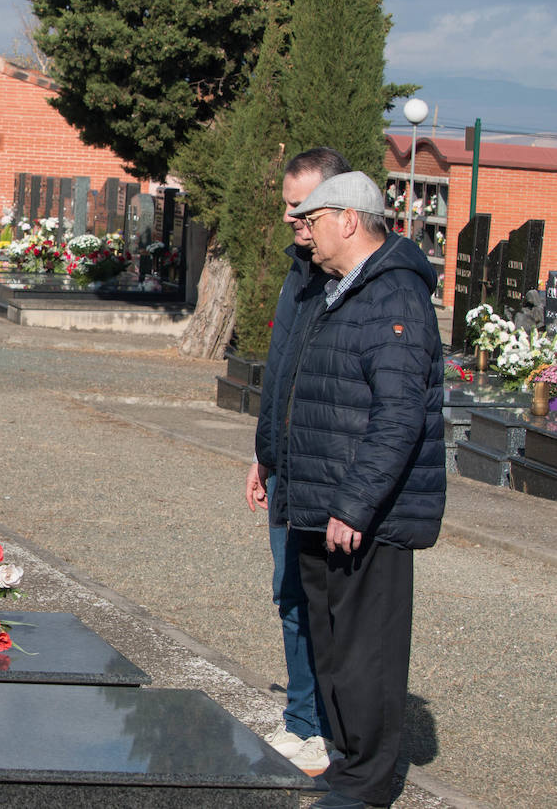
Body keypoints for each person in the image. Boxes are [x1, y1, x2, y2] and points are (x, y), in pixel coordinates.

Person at [283, 171, 445, 809]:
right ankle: (348, 762)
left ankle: (366, 784)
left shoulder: (394, 295)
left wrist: (353, 503)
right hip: (323, 505)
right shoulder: (339, 288)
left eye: (313, 220)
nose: (306, 234)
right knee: (332, 645)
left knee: (366, 652)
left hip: (367, 514)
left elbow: (398, 415)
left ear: (348, 219)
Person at [246, 148, 350, 773]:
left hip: (326, 468)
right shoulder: (300, 271)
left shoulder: (351, 277)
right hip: (286, 462)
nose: (289, 219)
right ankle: (302, 720)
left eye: (300, 206)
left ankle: (330, 729)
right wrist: (263, 454)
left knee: (325, 604)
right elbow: (282, 369)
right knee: (289, 596)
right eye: (286, 206)